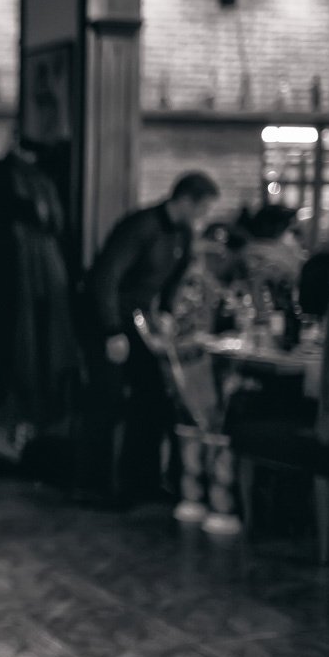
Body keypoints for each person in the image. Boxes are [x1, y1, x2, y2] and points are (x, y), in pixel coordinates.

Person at [80, 171, 221, 507]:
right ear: (184, 200)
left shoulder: (184, 233)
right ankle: (99, 485)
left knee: (153, 399)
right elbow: (106, 277)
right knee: (110, 401)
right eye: (202, 208)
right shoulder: (140, 226)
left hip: (143, 322)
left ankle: (143, 482)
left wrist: (167, 312)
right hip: (110, 320)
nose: (204, 216)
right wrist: (112, 330)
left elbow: (174, 279)